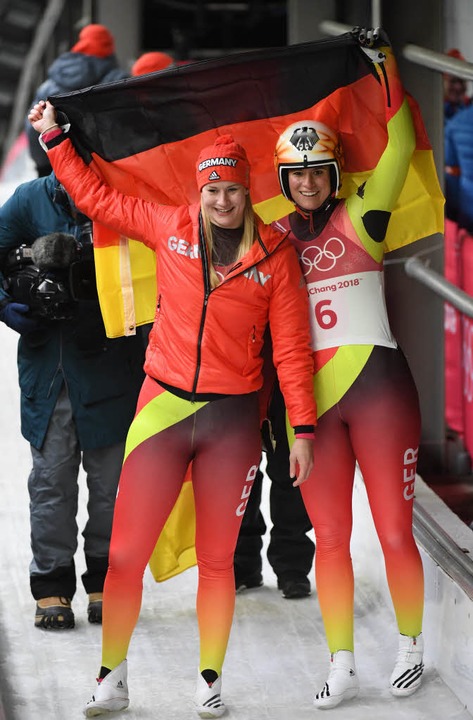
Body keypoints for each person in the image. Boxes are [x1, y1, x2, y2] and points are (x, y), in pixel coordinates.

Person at [28, 100, 317, 717]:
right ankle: (111, 677)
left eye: (232, 190)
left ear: (247, 192)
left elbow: (292, 350)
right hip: (162, 408)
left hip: (233, 421)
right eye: (213, 188)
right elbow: (97, 199)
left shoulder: (277, 254)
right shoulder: (172, 228)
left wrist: (304, 429)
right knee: (126, 555)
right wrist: (55, 138)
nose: (221, 201)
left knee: (217, 561)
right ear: (201, 189)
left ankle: (209, 681)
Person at [271, 27, 425, 708]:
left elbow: (396, 143)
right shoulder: (269, 244)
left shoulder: (365, 215)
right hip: (312, 411)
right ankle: (341, 662)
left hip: (382, 398)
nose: (306, 183)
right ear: (283, 181)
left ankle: (411, 646)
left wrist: (384, 63)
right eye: (295, 175)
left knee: (392, 530)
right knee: (329, 537)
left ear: (334, 175)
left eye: (316, 172)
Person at [0, 172, 146, 630]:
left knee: (112, 486)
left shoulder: (127, 191)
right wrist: (9, 299)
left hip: (114, 360)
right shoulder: (28, 200)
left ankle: (107, 580)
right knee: (51, 481)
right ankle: (51, 585)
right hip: (50, 366)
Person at [234, 379, 314, 599]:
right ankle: (243, 561)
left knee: (288, 471)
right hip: (235, 374)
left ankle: (292, 566)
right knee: (239, 474)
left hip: (283, 378)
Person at [25, 23, 128, 178]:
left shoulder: (52, 81)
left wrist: (43, 167)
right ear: (109, 46)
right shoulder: (118, 80)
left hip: (55, 163)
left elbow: (31, 126)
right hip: (102, 169)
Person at [444, 48, 470, 125]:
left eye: (462, 81)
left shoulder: (470, 107)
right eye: (453, 81)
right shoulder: (434, 109)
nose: (458, 87)